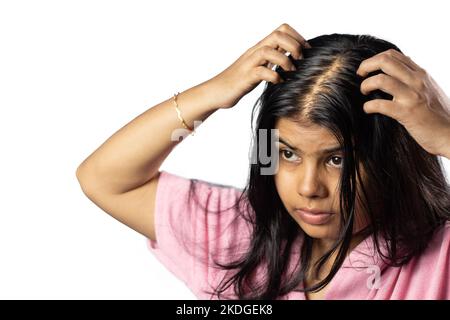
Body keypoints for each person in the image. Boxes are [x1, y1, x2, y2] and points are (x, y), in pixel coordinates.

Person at [76, 23, 450, 300]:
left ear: (392, 159)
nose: (308, 188)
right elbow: (105, 178)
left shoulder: (440, 255)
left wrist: (446, 133)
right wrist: (213, 93)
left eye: (337, 160)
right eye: (288, 154)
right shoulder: (239, 234)